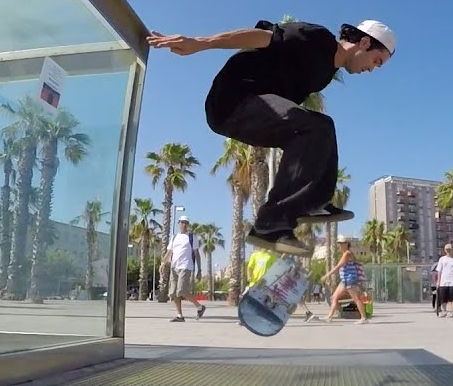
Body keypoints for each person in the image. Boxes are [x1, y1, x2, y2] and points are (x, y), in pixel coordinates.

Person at [147, 19, 396, 256]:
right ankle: (270, 222)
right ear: (364, 43)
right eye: (376, 60)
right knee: (316, 127)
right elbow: (260, 37)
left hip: (252, 111)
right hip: (233, 99)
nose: (372, 69)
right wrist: (201, 42)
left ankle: (314, 201)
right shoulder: (318, 39)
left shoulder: (324, 75)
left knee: (322, 126)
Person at [161, 215, 205, 322]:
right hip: (174, 267)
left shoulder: (191, 237)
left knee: (181, 291)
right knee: (173, 292)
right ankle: (179, 315)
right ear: (179, 224)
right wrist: (162, 263)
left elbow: (197, 254)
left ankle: (200, 307)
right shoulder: (174, 237)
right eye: (182, 222)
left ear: (188, 224)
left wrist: (199, 270)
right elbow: (169, 252)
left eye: (185, 222)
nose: (183, 224)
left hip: (186, 266)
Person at [324, 235, 369, 324]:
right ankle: (329, 317)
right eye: (339, 243)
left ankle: (364, 318)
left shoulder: (347, 253)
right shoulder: (345, 253)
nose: (340, 245)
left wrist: (328, 274)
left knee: (356, 299)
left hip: (350, 279)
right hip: (344, 280)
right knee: (334, 297)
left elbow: (339, 266)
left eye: (342, 243)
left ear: (347, 244)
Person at [433, 244, 453, 317]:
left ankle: (451, 312)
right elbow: (439, 271)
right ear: (445, 250)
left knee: (452, 298)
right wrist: (438, 282)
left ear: (452, 250)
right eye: (447, 249)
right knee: (443, 298)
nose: (448, 251)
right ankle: (444, 311)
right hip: (443, 282)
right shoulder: (442, 259)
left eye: (449, 249)